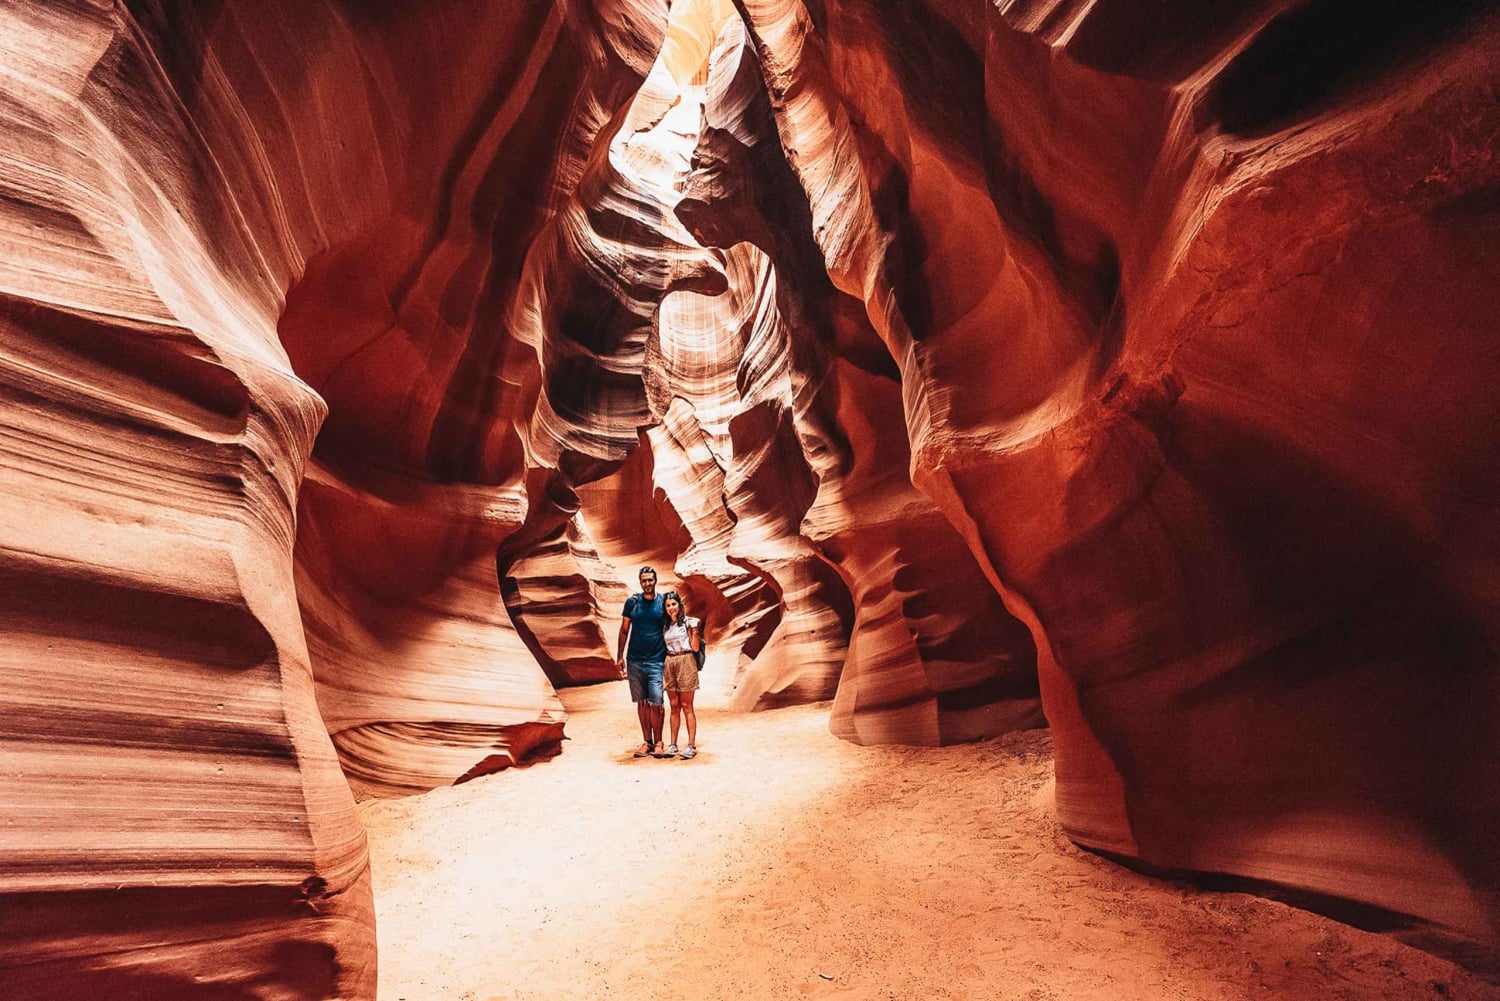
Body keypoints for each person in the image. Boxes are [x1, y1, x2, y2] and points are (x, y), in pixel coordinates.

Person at [617, 566, 667, 757]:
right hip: (635, 660)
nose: (647, 583)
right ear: (640, 582)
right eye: (644, 580)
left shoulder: (663, 602)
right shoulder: (632, 603)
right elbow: (624, 630)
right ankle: (647, 742)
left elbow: (670, 629)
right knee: (642, 703)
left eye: (650, 580)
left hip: (657, 660)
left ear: (655, 581)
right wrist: (619, 656)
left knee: (657, 702)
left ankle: (659, 742)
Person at [660, 591, 702, 760]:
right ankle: (673, 744)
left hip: (686, 659)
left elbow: (696, 647)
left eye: (674, 604)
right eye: (668, 605)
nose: (671, 608)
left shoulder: (687, 622)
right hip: (670, 662)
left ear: (679, 605)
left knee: (687, 705)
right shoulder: (664, 626)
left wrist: (695, 631)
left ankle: (691, 745)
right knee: (674, 705)